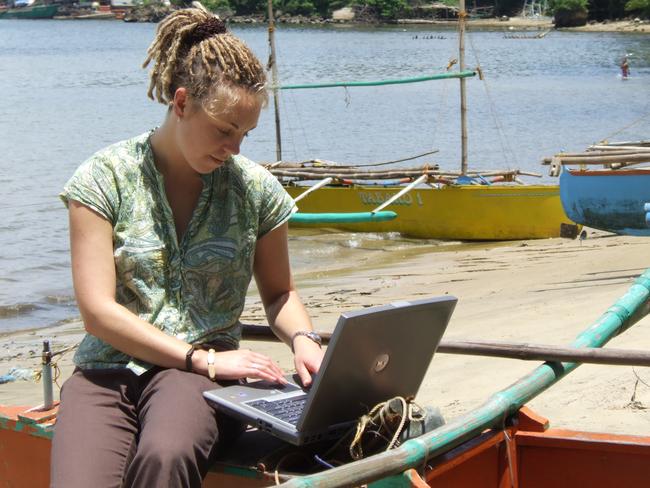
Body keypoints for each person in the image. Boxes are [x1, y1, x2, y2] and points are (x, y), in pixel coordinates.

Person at [50, 7, 324, 487]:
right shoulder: (103, 177)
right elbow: (97, 313)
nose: (235, 148)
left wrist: (305, 341)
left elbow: (280, 293)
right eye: (224, 130)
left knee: (167, 453)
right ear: (181, 103)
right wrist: (205, 358)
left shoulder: (255, 189)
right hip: (105, 373)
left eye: (245, 134)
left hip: (200, 380)